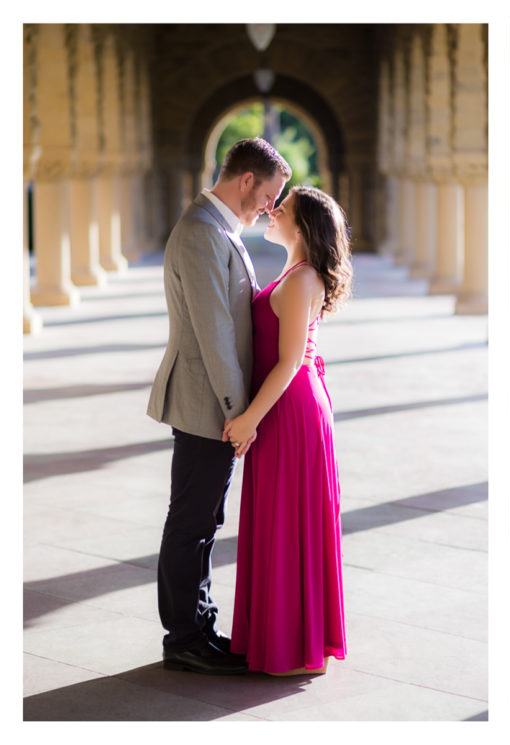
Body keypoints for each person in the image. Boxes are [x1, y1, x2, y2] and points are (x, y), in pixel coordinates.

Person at [148, 138, 291, 674]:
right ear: (247, 179)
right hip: (206, 402)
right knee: (191, 521)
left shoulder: (219, 229)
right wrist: (240, 414)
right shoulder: (201, 233)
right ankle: (183, 638)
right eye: (269, 194)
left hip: (217, 404)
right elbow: (215, 333)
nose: (269, 208)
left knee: (204, 517)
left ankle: (198, 626)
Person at [222, 185, 353, 675]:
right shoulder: (295, 272)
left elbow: (291, 361)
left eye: (283, 209)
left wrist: (248, 420)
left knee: (288, 520)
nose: (271, 213)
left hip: (289, 411)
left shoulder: (300, 280)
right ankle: (284, 638)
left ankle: (293, 647)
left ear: (300, 226)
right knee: (283, 520)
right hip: (286, 407)